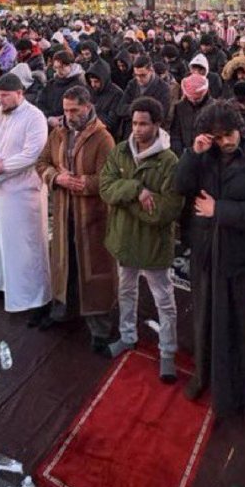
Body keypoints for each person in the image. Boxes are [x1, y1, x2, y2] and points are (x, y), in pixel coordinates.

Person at [174, 101, 245, 419]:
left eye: (229, 134)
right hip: (206, 253)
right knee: (204, 321)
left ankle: (244, 396)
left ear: (239, 128)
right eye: (218, 137)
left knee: (241, 329)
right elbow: (181, 186)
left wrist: (218, 210)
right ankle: (203, 377)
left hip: (241, 256)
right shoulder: (205, 153)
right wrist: (193, 154)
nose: (226, 142)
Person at [99, 98, 183, 383]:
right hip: (124, 239)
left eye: (143, 124)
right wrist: (137, 190)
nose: (137, 129)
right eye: (134, 123)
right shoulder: (121, 151)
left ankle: (167, 352)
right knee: (126, 290)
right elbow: (106, 188)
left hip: (152, 243)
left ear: (157, 125)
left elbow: (166, 210)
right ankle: (127, 336)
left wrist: (125, 201)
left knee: (164, 299)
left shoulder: (169, 162)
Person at [37, 84, 116, 352]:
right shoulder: (58, 133)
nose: (69, 115)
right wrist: (56, 178)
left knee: (94, 270)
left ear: (87, 107)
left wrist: (83, 183)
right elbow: (42, 163)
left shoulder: (103, 138)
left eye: (74, 110)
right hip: (64, 212)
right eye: (65, 110)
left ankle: (100, 328)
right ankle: (63, 313)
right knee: (64, 263)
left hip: (93, 217)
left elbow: (109, 178)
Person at [0, 71, 51, 319]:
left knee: (25, 246)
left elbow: (32, 154)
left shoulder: (34, 117)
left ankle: (34, 297)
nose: (0, 100)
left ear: (20, 93)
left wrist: (0, 167)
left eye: (5, 95)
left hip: (23, 192)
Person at [116, 54, 172, 139]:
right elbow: (120, 109)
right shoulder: (132, 84)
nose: (139, 79)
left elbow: (161, 115)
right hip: (129, 133)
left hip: (150, 135)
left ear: (151, 71)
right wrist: (146, 111)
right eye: (136, 75)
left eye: (142, 75)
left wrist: (133, 110)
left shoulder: (163, 88)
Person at [37, 49, 86, 125]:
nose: (59, 71)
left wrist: (62, 120)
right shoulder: (51, 83)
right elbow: (40, 103)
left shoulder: (79, 85)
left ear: (71, 65)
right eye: (56, 68)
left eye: (62, 67)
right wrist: (48, 117)